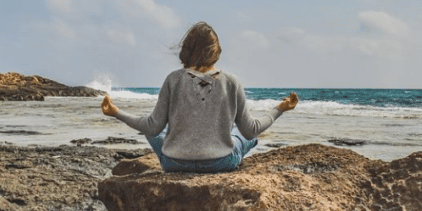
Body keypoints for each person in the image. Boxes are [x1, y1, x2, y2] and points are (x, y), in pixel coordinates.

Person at [101, 21, 298, 173]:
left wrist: (116, 112)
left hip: (174, 164)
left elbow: (152, 127)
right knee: (242, 135)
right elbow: (251, 129)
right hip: (220, 163)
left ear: (187, 49)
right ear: (216, 51)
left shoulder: (172, 80)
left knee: (153, 129)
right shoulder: (231, 82)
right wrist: (280, 108)